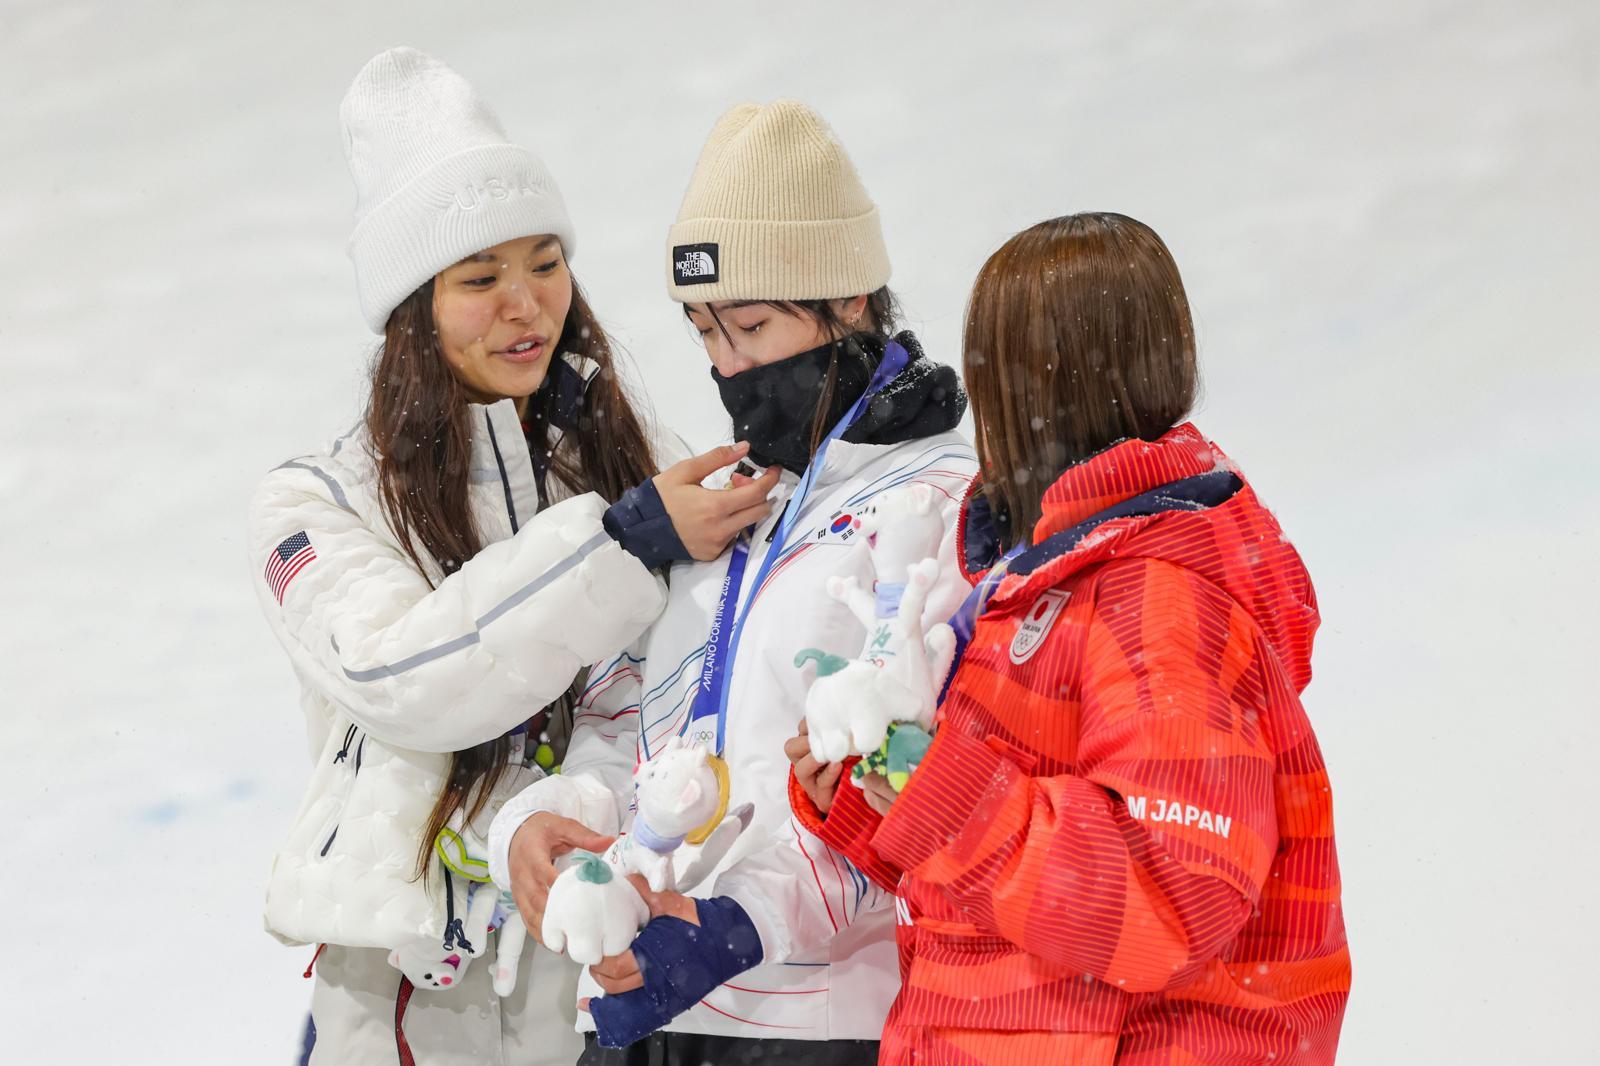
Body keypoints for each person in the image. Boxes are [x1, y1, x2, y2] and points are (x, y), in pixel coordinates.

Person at [248, 48, 775, 1066]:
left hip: (594, 979)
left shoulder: (631, 467)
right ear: (413, 314)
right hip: (406, 1008)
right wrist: (627, 544)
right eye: (479, 277)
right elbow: (411, 676)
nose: (525, 303)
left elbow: (662, 702)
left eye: (544, 261)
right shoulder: (311, 504)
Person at [787, 213, 1352, 1064]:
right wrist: (874, 794)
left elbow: (1167, 899)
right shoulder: (1044, 578)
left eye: (993, 372)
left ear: (1033, 388)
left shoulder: (1158, 599)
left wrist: (934, 783)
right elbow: (1003, 890)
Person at [488, 101, 977, 1065]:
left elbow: (925, 794)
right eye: (704, 332)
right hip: (641, 1007)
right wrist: (555, 825)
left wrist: (735, 926)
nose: (726, 366)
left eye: (750, 326)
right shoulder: (720, 504)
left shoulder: (943, 503)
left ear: (847, 303)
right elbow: (624, 722)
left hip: (819, 1021)